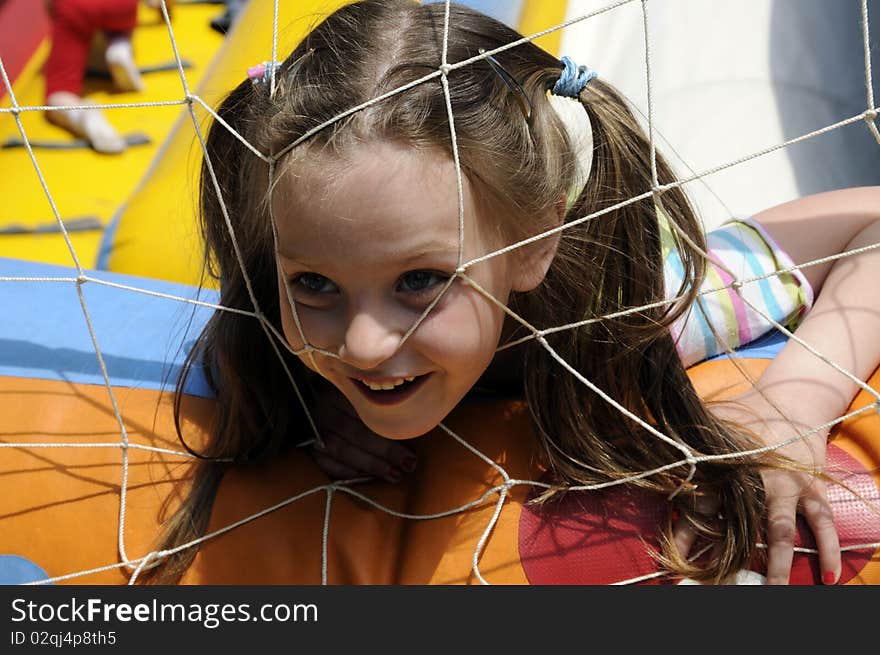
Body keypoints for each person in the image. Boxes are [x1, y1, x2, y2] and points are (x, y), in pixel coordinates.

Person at [149, 0, 880, 584]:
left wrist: (795, 401)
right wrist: (319, 402)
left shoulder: (637, 311)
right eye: (314, 283)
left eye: (420, 281)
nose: (365, 340)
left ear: (533, 243)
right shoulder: (270, 304)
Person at [42, 0, 169, 153]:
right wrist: (166, 11)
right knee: (119, 19)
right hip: (120, 7)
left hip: (75, 7)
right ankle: (120, 47)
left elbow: (49, 6)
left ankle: (80, 115)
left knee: (59, 92)